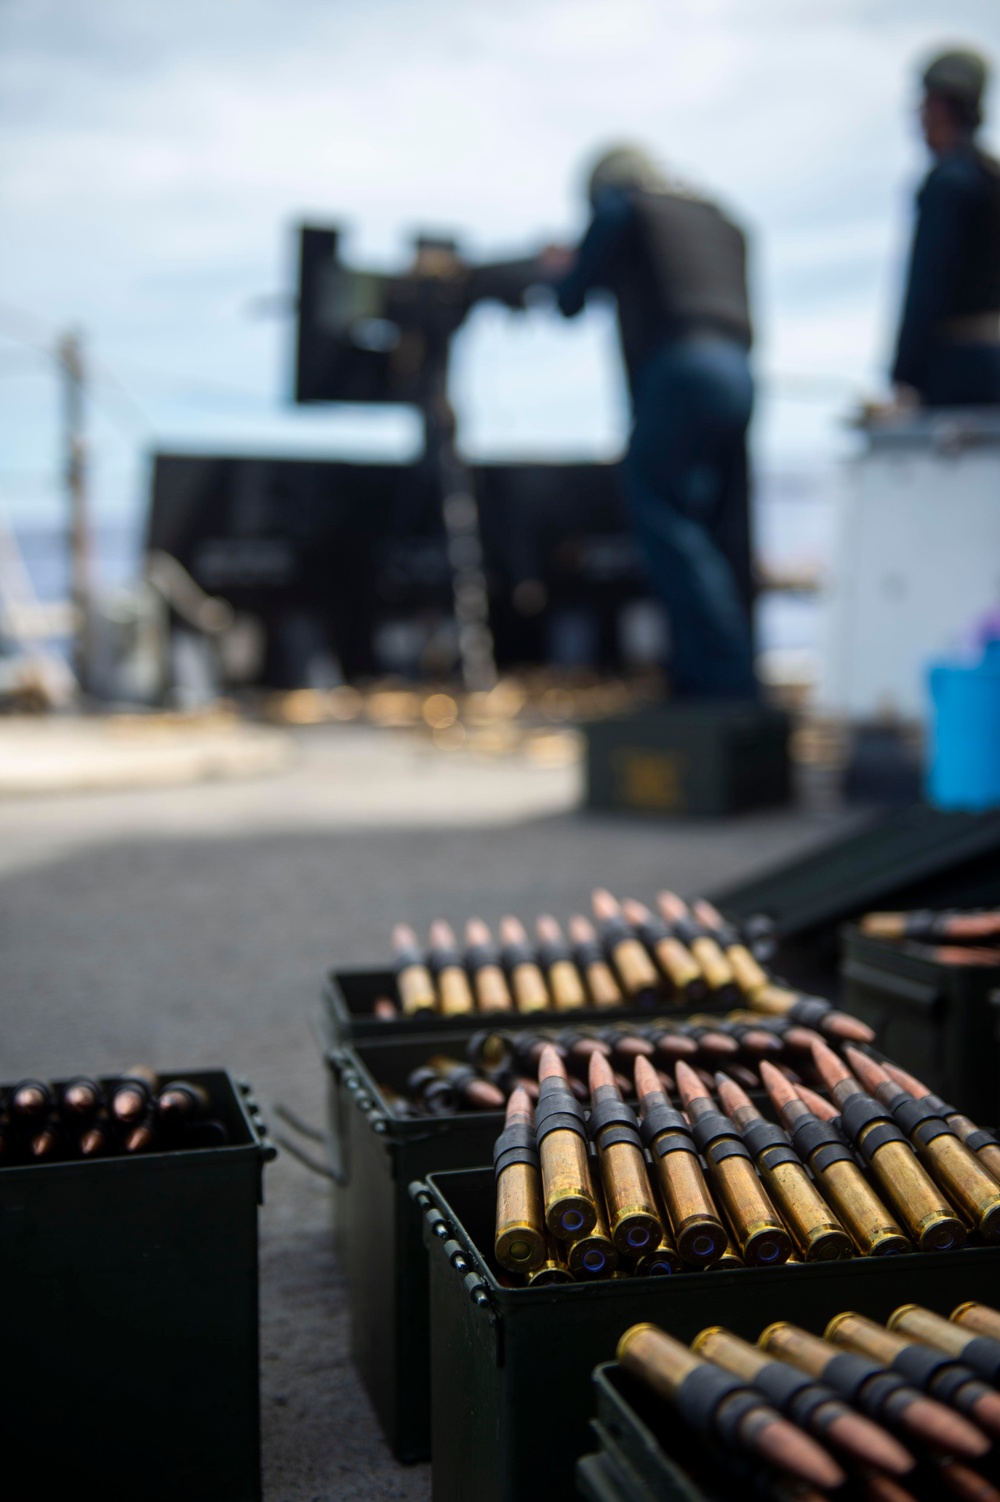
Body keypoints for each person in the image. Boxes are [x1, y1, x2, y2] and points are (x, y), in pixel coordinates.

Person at [551, 145, 757, 700]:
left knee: (667, 525)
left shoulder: (626, 208)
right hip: (738, 375)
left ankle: (719, 682)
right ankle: (726, 681)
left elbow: (569, 298)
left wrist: (560, 269)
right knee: (723, 535)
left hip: (679, 374)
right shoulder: (721, 220)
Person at [892, 48, 1000, 407]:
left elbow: (927, 286)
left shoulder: (949, 183)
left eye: (924, 108)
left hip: (961, 371)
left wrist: (905, 378)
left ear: (940, 107)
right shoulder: (991, 177)